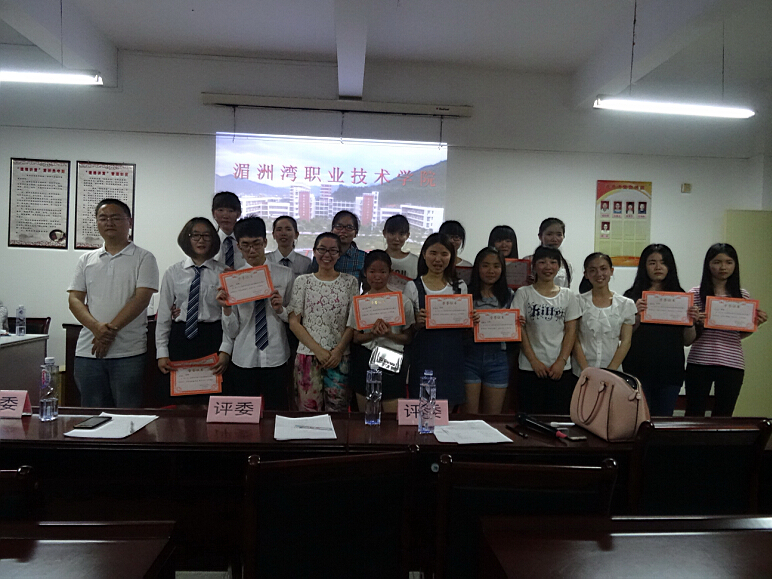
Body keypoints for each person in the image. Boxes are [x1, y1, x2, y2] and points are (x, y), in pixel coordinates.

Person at [67, 198, 159, 407]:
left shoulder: (144, 258)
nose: (109, 222)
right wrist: (96, 328)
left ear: (130, 222)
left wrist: (107, 333)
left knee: (128, 412)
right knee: (91, 413)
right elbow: (74, 299)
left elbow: (141, 299)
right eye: (103, 218)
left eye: (116, 218)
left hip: (128, 352)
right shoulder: (86, 259)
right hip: (88, 351)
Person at [216, 217, 295, 409]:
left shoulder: (285, 274)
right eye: (245, 245)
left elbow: (293, 318)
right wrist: (226, 308)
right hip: (244, 357)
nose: (251, 250)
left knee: (277, 411)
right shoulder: (233, 280)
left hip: (276, 355)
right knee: (244, 413)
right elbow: (232, 330)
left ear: (265, 242)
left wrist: (280, 310)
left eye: (256, 244)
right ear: (238, 246)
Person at [685, 243, 768, 417]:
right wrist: (694, 321)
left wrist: (754, 324)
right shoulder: (695, 293)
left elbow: (739, 334)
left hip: (732, 362)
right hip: (700, 360)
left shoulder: (742, 295)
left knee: (724, 415)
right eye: (717, 262)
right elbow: (688, 338)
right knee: (694, 414)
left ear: (735, 265)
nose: (723, 267)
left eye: (729, 262)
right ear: (708, 264)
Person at [156, 218, 227, 404]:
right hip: (181, 337)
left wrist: (226, 350)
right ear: (187, 239)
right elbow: (164, 315)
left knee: (211, 399)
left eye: (206, 236)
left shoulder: (224, 272)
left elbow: (230, 315)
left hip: (213, 336)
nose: (201, 240)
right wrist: (162, 351)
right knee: (181, 400)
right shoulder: (173, 272)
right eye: (195, 235)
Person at [623, 244, 700, 416]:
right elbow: (623, 337)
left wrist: (691, 322)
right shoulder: (631, 296)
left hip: (670, 371)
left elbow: (687, 341)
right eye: (652, 262)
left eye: (663, 262)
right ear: (644, 266)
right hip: (638, 369)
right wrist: (636, 316)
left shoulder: (681, 297)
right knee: (638, 419)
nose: (658, 267)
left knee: (664, 420)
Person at [289, 232, 358, 411]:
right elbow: (294, 322)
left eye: (333, 250)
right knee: (308, 412)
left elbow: (353, 322)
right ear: (314, 251)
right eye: (322, 249)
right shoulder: (303, 281)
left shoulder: (350, 282)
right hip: (308, 355)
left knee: (338, 412)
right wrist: (318, 350)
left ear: (339, 254)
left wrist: (338, 351)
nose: (327, 255)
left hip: (339, 357)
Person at [404, 233, 470, 408]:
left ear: (451, 257)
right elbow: (406, 330)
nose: (438, 259)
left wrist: (472, 319)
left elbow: (464, 324)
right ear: (424, 254)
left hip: (452, 358)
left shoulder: (460, 286)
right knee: (422, 407)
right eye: (433, 253)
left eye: (444, 254)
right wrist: (416, 323)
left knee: (448, 409)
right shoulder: (412, 287)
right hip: (423, 357)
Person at [512, 245, 579, 415]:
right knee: (530, 417)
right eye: (542, 262)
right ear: (534, 266)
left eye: (553, 262)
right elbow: (520, 329)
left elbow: (571, 331)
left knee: (558, 418)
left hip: (560, 369)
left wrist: (561, 361)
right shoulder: (523, 293)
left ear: (559, 266)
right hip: (529, 367)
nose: (548, 267)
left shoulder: (568, 295)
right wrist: (533, 361)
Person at [347, 250, 415, 413]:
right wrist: (372, 334)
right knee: (367, 415)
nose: (377, 276)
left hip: (392, 360)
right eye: (372, 271)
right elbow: (356, 337)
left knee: (392, 417)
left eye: (383, 272)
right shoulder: (359, 302)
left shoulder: (403, 301)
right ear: (365, 273)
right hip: (365, 359)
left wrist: (389, 334)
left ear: (390, 273)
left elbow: (408, 337)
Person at [464, 247, 515, 414]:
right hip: (469, 357)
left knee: (493, 417)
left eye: (496, 266)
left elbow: (514, 329)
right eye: (485, 265)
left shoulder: (509, 295)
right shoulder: (465, 293)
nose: (491, 271)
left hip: (498, 358)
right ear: (477, 268)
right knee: (469, 417)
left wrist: (517, 323)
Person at [572, 253, 636, 379]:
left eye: (603, 269)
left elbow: (626, 341)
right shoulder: (577, 301)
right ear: (586, 274)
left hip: (613, 375)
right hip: (581, 374)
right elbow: (574, 339)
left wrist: (609, 372)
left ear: (611, 271)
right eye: (592, 270)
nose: (599, 274)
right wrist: (587, 371)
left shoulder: (625, 304)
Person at [308, 210, 366, 281]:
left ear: (355, 233)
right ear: (332, 230)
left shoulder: (362, 257)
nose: (343, 231)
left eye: (349, 227)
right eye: (339, 226)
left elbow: (368, 284)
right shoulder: (322, 254)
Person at [522, 218, 573, 288]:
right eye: (549, 234)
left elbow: (566, 288)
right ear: (540, 236)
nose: (554, 239)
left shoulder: (567, 264)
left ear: (563, 236)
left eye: (559, 235)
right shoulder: (527, 261)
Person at [211, 191, 244, 270]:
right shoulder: (209, 241)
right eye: (220, 210)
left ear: (239, 213)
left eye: (230, 211)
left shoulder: (246, 240)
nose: (225, 215)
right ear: (213, 213)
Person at [382, 214, 418, 280]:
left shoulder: (414, 261)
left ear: (407, 235)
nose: (396, 238)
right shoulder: (377, 259)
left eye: (401, 234)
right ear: (384, 233)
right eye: (392, 233)